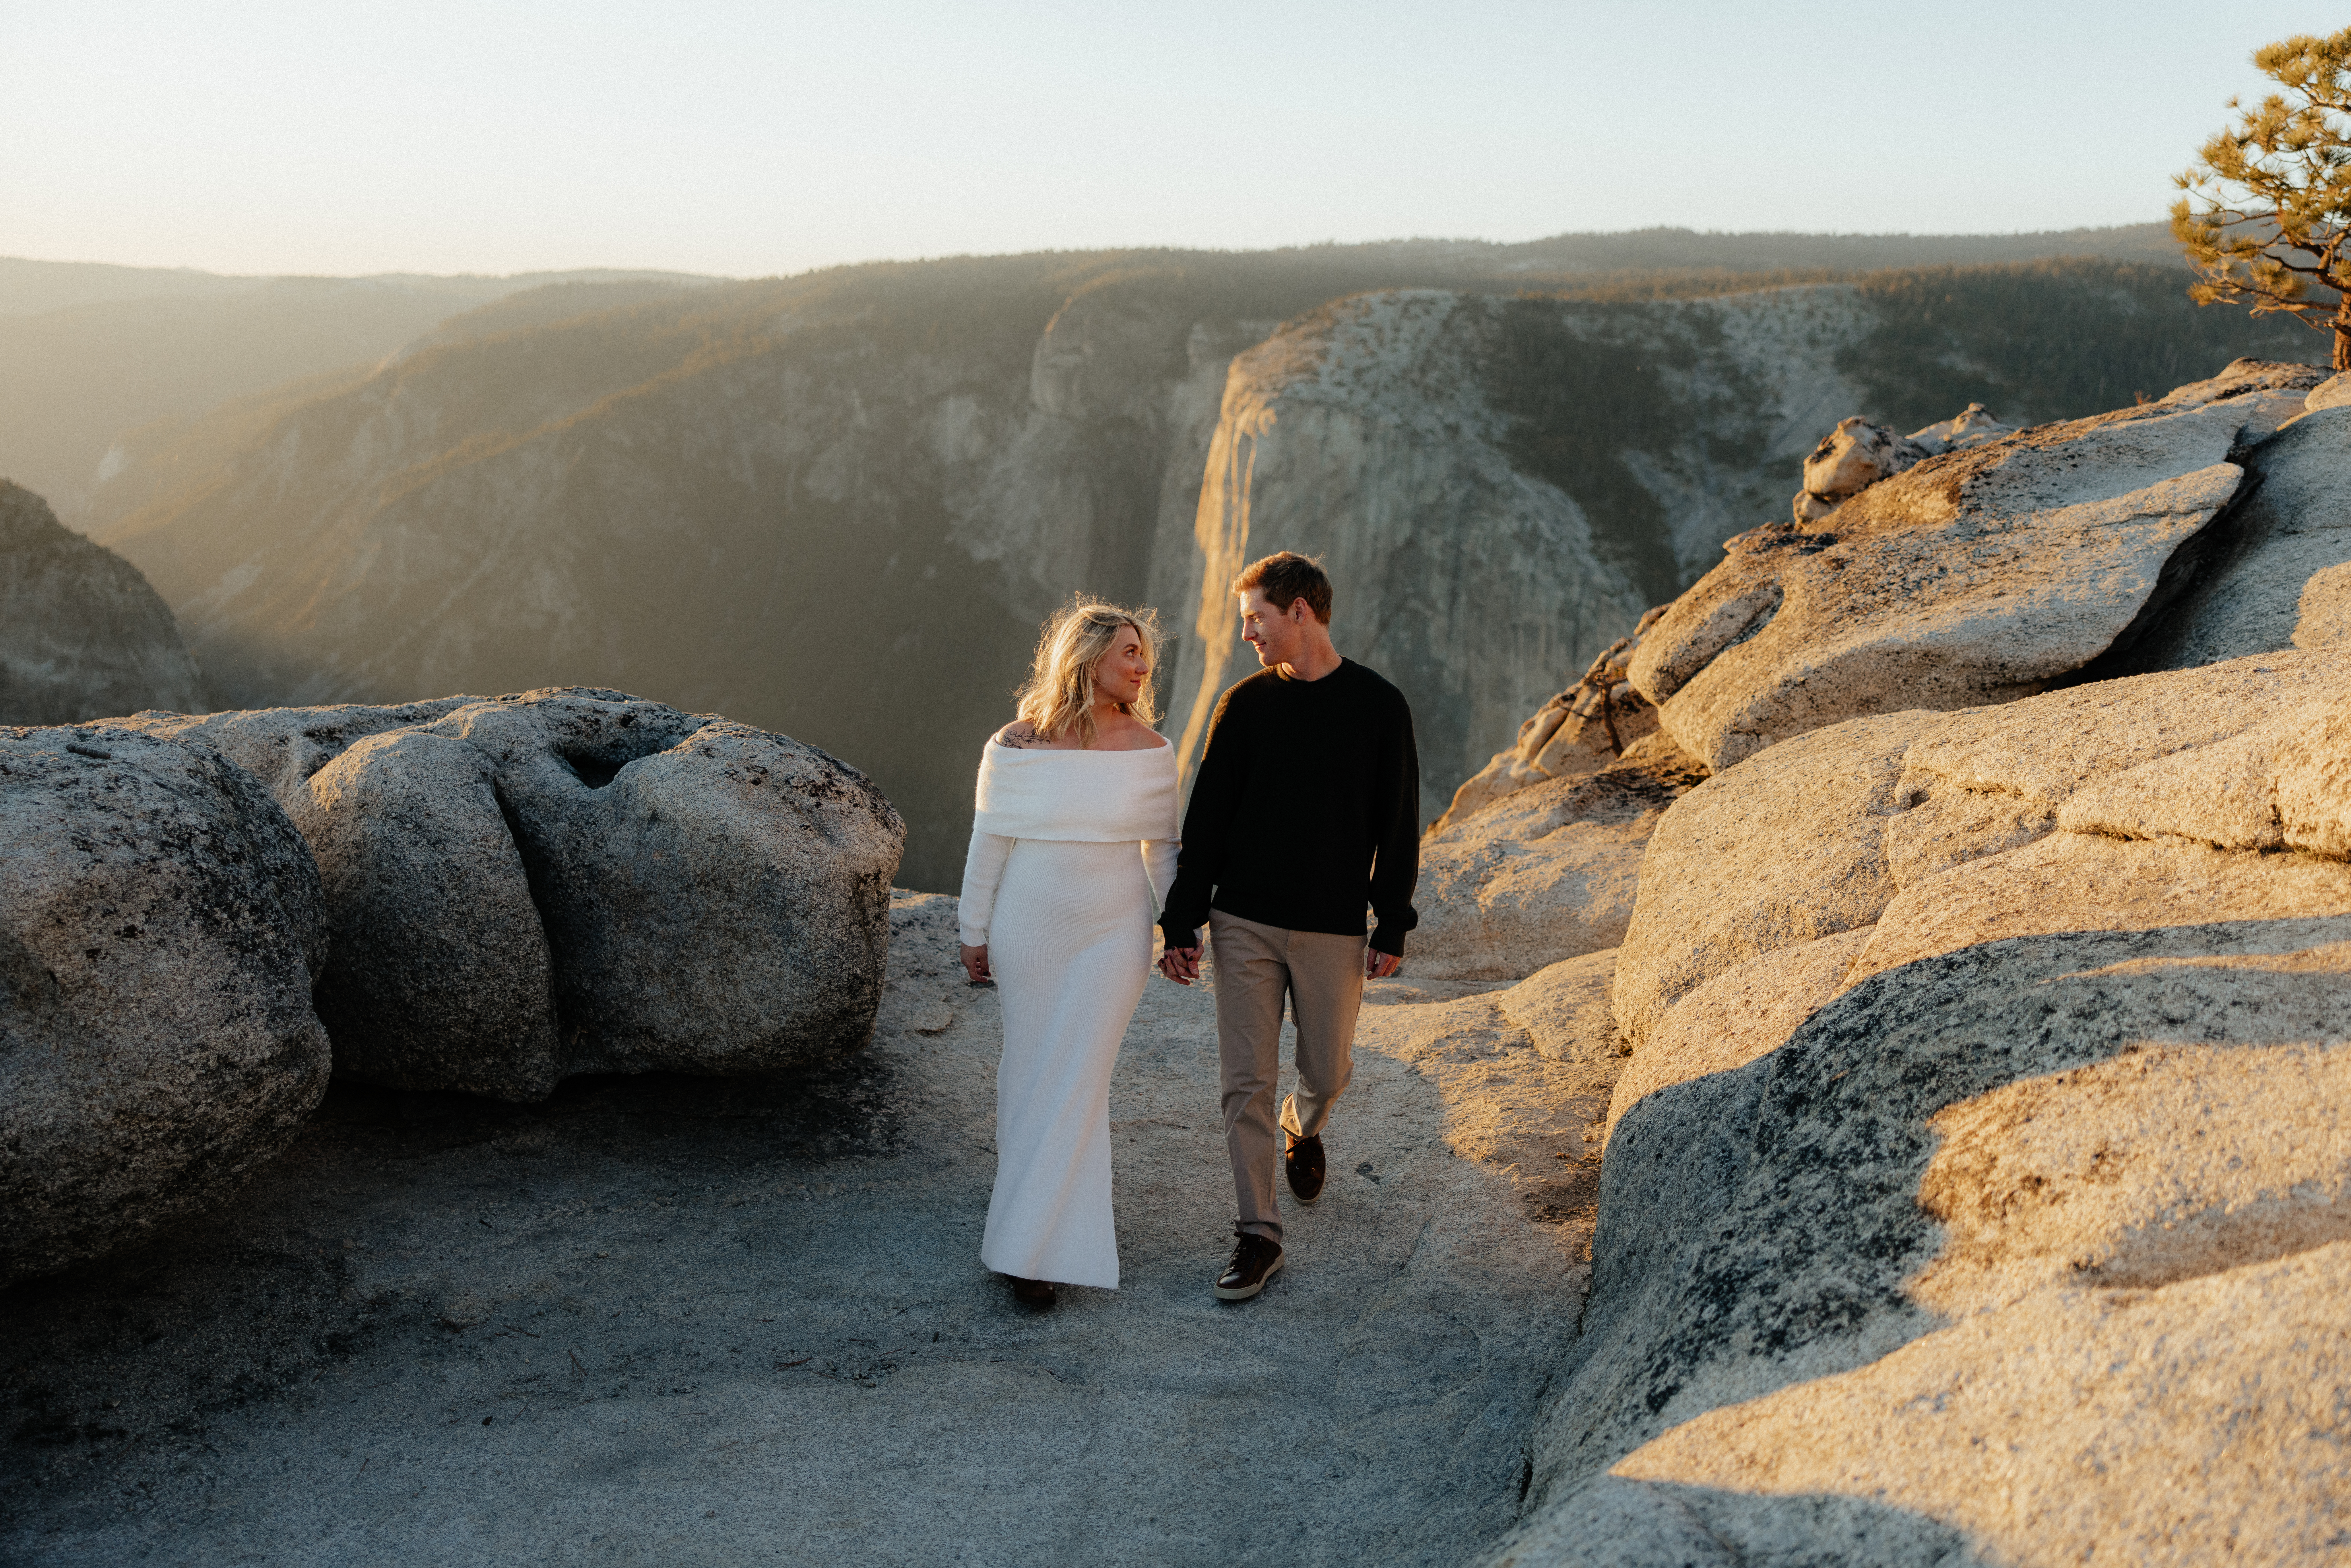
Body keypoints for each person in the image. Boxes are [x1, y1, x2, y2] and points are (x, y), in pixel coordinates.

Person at [1156, 552, 1419, 1302]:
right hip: (1242, 922)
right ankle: (1258, 1234)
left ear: (1300, 612)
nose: (1246, 634)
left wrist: (1391, 923)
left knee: (1328, 1070)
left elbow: (1397, 826)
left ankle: (1302, 1126)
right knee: (1245, 1081)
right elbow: (1207, 819)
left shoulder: (1379, 707)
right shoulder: (1243, 706)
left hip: (1333, 928)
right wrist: (1182, 919)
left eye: (1256, 619)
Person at [957, 602, 1179, 1311]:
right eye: (1129, 653)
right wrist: (973, 928)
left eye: (1144, 653)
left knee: (1079, 1078)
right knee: (1029, 1073)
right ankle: (1035, 1237)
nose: (1143, 665)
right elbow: (989, 839)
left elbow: (1164, 852)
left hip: (1113, 935)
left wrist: (1178, 931)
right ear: (1087, 660)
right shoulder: (1015, 743)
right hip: (1029, 927)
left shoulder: (1151, 749)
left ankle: (1034, 1251)